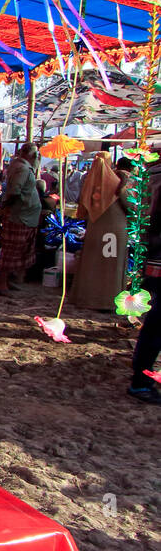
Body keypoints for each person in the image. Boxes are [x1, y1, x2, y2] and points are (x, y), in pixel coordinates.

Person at [71, 151, 129, 311]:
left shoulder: (91, 181)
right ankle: (107, 300)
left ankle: (88, 298)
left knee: (93, 264)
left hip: (96, 229)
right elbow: (129, 204)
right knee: (110, 265)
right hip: (114, 231)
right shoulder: (116, 181)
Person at [127, 160, 161, 404]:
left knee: (155, 325)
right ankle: (140, 382)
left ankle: (142, 379)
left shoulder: (151, 173)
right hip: (158, 257)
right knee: (157, 326)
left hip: (152, 256)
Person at [0, 143, 41, 296]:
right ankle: (2, 283)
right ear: (32, 155)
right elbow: (14, 192)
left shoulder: (20, 166)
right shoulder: (23, 168)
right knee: (11, 251)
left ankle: (9, 281)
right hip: (19, 216)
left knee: (19, 251)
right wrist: (7, 207)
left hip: (25, 216)